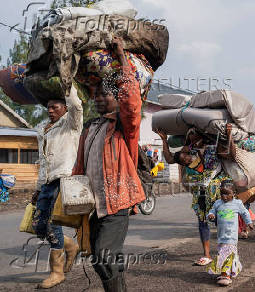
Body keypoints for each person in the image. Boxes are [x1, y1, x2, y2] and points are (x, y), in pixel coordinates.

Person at [72, 37, 146, 291]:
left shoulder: (124, 127)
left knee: (105, 254)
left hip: (118, 202)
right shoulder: (90, 128)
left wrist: (121, 56)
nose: (100, 99)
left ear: (116, 98)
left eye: (106, 94)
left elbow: (132, 102)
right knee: (99, 258)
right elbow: (79, 168)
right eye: (97, 95)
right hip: (94, 205)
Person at [156, 125, 240, 266]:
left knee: (223, 222)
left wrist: (229, 135)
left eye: (194, 133)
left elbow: (230, 155)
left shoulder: (213, 147)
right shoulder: (187, 151)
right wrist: (164, 140)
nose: (192, 137)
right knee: (202, 221)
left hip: (218, 192)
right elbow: (170, 158)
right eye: (190, 134)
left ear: (202, 135)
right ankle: (206, 255)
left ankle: (227, 251)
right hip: (200, 192)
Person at [30, 84, 82, 289]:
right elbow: (42, 161)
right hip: (47, 183)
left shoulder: (71, 124)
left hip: (64, 180)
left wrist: (67, 85)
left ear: (65, 109)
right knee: (39, 226)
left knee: (52, 226)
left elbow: (77, 106)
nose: (50, 110)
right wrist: (38, 187)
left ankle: (57, 272)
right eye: (48, 108)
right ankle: (71, 246)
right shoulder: (44, 130)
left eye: (55, 107)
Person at [207, 180, 253, 286]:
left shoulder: (237, 203)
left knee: (226, 253)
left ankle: (225, 275)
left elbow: (245, 213)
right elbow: (212, 211)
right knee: (227, 252)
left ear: (234, 194)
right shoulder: (217, 203)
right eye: (222, 193)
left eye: (227, 193)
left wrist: (249, 222)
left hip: (231, 235)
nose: (224, 196)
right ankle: (234, 268)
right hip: (221, 234)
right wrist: (210, 216)